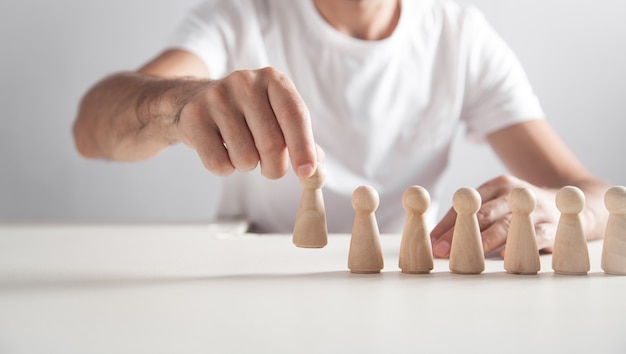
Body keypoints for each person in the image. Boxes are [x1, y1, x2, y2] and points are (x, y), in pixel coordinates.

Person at [72, 0, 609, 258]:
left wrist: (568, 212)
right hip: (253, 285)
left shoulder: (459, 33)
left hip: (403, 284)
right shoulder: (242, 17)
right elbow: (90, 129)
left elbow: (595, 192)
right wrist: (177, 104)